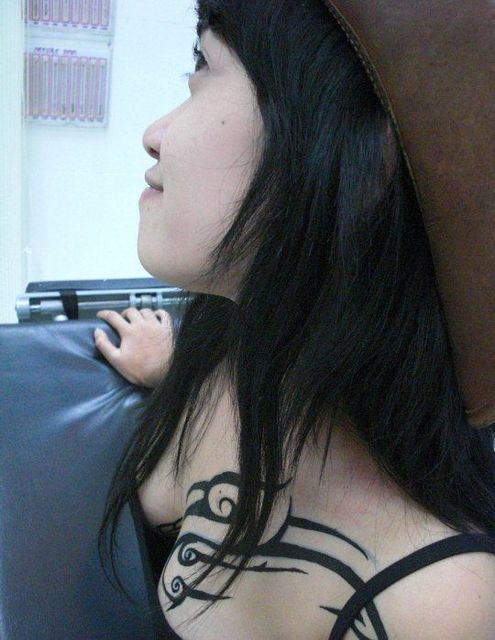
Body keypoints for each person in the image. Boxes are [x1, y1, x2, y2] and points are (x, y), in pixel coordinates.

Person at [96, 1, 495, 638]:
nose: (154, 133)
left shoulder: (439, 605)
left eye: (204, 64)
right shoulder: (228, 343)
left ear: (361, 156)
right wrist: (167, 371)